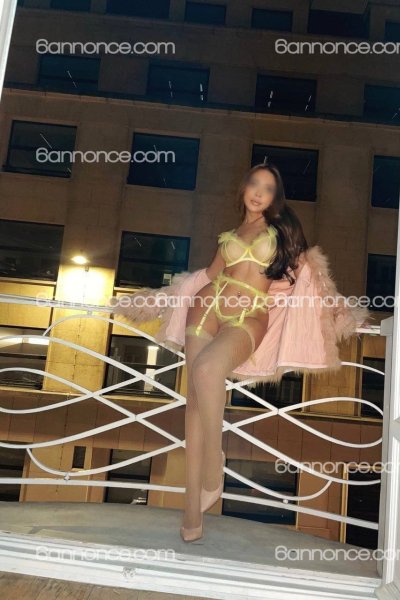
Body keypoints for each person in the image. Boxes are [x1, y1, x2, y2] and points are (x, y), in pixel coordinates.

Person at [109, 163, 372, 544]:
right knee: (194, 404)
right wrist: (157, 299)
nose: (258, 192)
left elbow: (313, 277)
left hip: (250, 315)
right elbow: (206, 277)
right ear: (244, 188)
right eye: (254, 183)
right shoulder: (229, 237)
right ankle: (191, 508)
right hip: (207, 307)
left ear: (275, 197)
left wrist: (340, 311)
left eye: (268, 187)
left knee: (208, 370)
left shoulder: (282, 233)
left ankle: (214, 463)